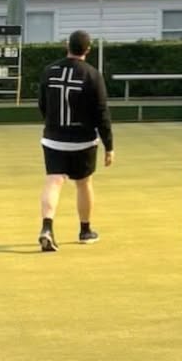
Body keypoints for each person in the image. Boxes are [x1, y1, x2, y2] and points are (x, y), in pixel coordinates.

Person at [37, 30, 114, 252]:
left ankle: (47, 228)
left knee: (54, 180)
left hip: (53, 139)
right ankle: (85, 231)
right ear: (88, 50)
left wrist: (51, 125)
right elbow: (102, 113)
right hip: (83, 141)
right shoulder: (92, 74)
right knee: (84, 182)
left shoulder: (49, 71)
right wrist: (109, 145)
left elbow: (42, 103)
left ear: (67, 46)